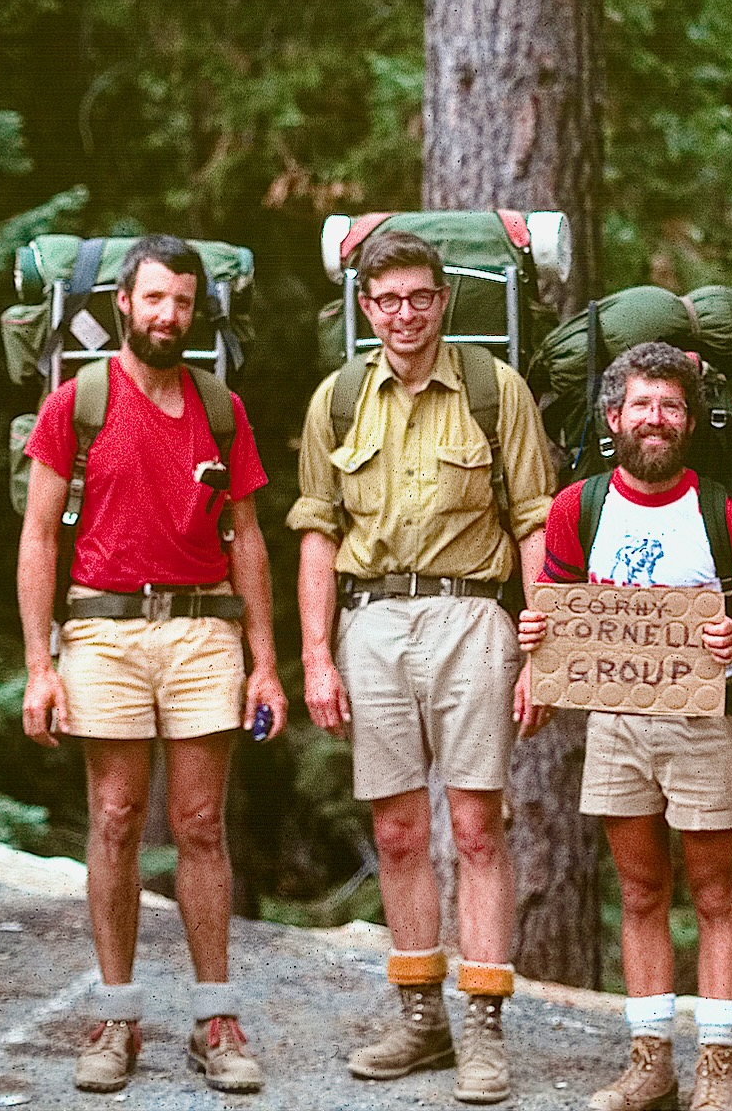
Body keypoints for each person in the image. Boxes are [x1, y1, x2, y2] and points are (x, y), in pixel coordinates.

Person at [288, 229, 554, 1106]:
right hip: (370, 622)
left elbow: (535, 522)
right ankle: (419, 1016)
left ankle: (483, 1024)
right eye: (388, 300)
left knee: (477, 828)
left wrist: (542, 650)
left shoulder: (494, 389)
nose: (405, 314)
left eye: (419, 297)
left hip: (472, 614)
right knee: (398, 833)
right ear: (366, 309)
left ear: (443, 301)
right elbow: (317, 532)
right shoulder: (337, 400)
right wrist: (316, 656)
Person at [18, 234, 287, 1096]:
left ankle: (216, 1019)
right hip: (103, 629)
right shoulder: (78, 404)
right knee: (115, 816)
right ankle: (116, 1015)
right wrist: (39, 664)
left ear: (197, 311)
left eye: (183, 301)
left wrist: (266, 663)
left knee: (201, 823)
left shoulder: (220, 408)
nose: (168, 315)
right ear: (124, 305)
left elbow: (248, 538)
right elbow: (37, 537)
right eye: (155, 298)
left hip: (204, 629)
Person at [517, 342, 732, 1111]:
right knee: (639, 892)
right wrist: (537, 641)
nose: (656, 419)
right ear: (614, 417)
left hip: (704, 720)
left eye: (671, 406)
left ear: (691, 421)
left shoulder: (726, 511)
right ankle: (649, 1063)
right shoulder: (578, 507)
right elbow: (555, 605)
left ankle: (718, 1068)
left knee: (715, 892)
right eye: (642, 405)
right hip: (616, 720)